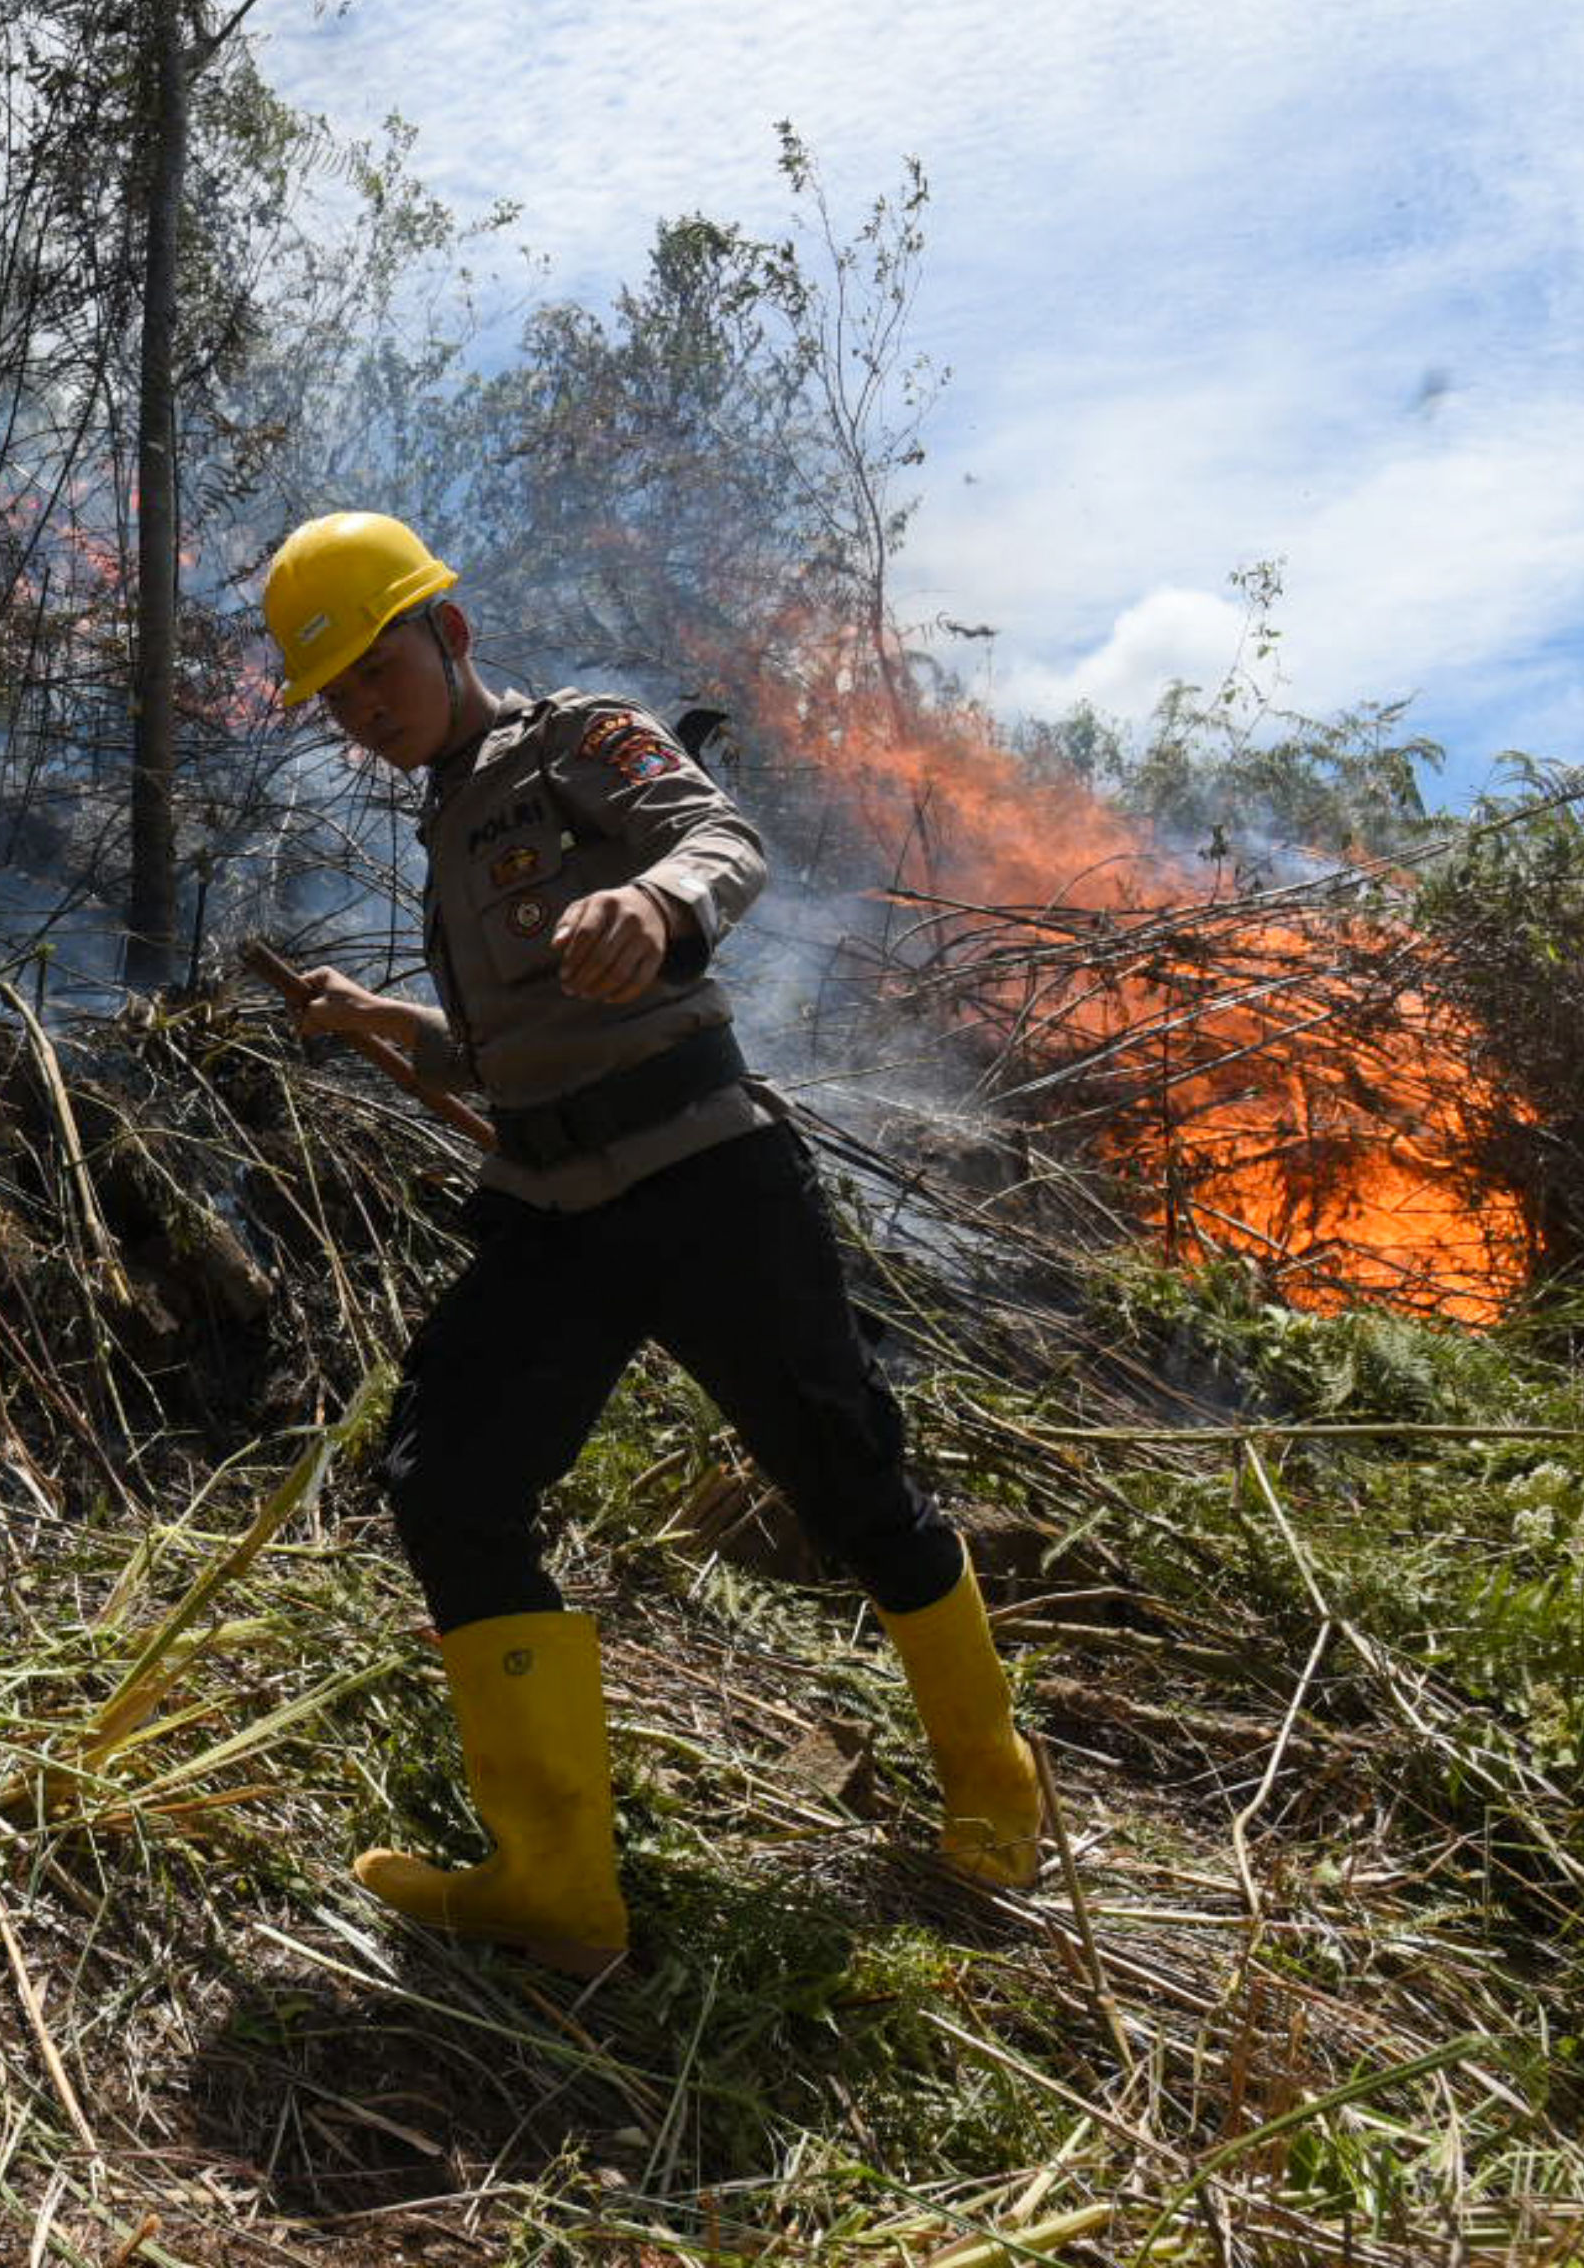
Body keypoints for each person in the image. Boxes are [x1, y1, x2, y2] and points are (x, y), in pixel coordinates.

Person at [262, 510, 1046, 1975]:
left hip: (705, 1178)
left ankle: (997, 1796)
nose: (371, 710)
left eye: (384, 669)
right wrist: (387, 1027)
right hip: (554, 1211)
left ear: (454, 633)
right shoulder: (442, 833)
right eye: (343, 698)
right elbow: (517, 1059)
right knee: (450, 1483)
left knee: (848, 1472)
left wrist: (654, 899)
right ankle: (557, 1879)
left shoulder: (579, 743)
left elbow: (719, 838)